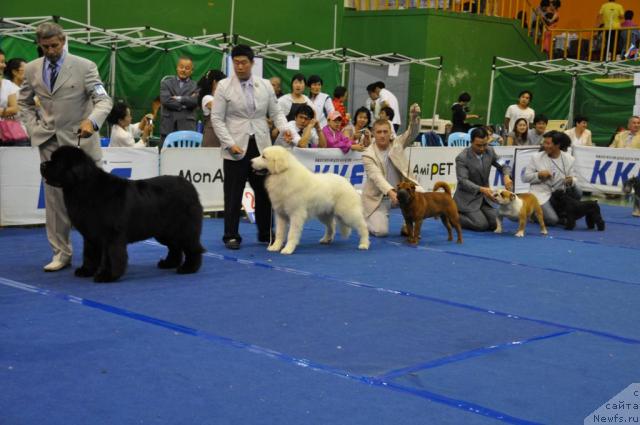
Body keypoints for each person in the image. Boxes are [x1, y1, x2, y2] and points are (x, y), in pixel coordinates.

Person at [18, 21, 113, 271]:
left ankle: (101, 252)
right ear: (39, 44)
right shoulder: (31, 69)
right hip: (50, 144)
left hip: (82, 144)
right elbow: (24, 103)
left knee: (95, 202)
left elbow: (103, 100)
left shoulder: (85, 67)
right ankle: (61, 253)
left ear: (63, 40)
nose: (50, 50)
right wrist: (33, 128)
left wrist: (92, 121)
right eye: (45, 46)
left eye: (55, 45)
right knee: (55, 201)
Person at [211, 44, 291, 250]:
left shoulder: (265, 85)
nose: (239, 66)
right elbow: (217, 119)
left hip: (261, 145)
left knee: (265, 191)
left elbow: (276, 113)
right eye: (236, 62)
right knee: (233, 192)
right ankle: (231, 235)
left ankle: (267, 232)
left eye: (244, 62)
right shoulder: (223, 86)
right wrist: (230, 144)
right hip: (235, 146)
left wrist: (285, 129)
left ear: (252, 63)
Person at [361, 103, 421, 237]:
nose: (382, 135)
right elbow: (377, 178)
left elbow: (412, 133)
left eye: (385, 132)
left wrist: (414, 118)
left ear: (390, 133)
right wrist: (391, 192)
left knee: (422, 194)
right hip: (379, 198)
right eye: (379, 132)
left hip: (403, 193)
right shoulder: (367, 154)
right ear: (373, 134)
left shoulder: (397, 144)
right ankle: (365, 219)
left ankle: (408, 224)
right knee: (381, 232)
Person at [453, 127, 513, 231]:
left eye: (485, 144)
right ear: (471, 142)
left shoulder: (490, 151)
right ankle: (451, 217)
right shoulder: (462, 158)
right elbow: (463, 181)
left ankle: (480, 213)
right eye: (478, 145)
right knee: (481, 226)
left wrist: (506, 176)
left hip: (484, 199)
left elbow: (504, 165)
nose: (482, 148)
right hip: (467, 199)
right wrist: (482, 189)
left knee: (495, 224)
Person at [522, 131, 580, 226]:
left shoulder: (569, 159)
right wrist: (539, 175)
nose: (544, 145)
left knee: (577, 190)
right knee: (552, 220)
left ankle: (562, 213)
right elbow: (525, 177)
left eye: (548, 143)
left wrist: (571, 180)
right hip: (541, 194)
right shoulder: (536, 157)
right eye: (544, 142)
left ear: (558, 145)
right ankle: (533, 214)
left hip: (558, 193)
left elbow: (574, 177)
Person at [159, 56, 199, 144]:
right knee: (165, 156)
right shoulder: (166, 83)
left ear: (191, 71)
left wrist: (178, 98)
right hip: (168, 127)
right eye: (181, 67)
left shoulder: (196, 85)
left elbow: (195, 101)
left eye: (187, 68)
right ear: (177, 68)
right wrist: (185, 104)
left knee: (185, 156)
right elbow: (166, 100)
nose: (183, 70)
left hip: (187, 128)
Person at [197, 69, 226, 147]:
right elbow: (221, 108)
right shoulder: (207, 98)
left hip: (221, 137)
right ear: (214, 82)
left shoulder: (219, 98)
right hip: (211, 137)